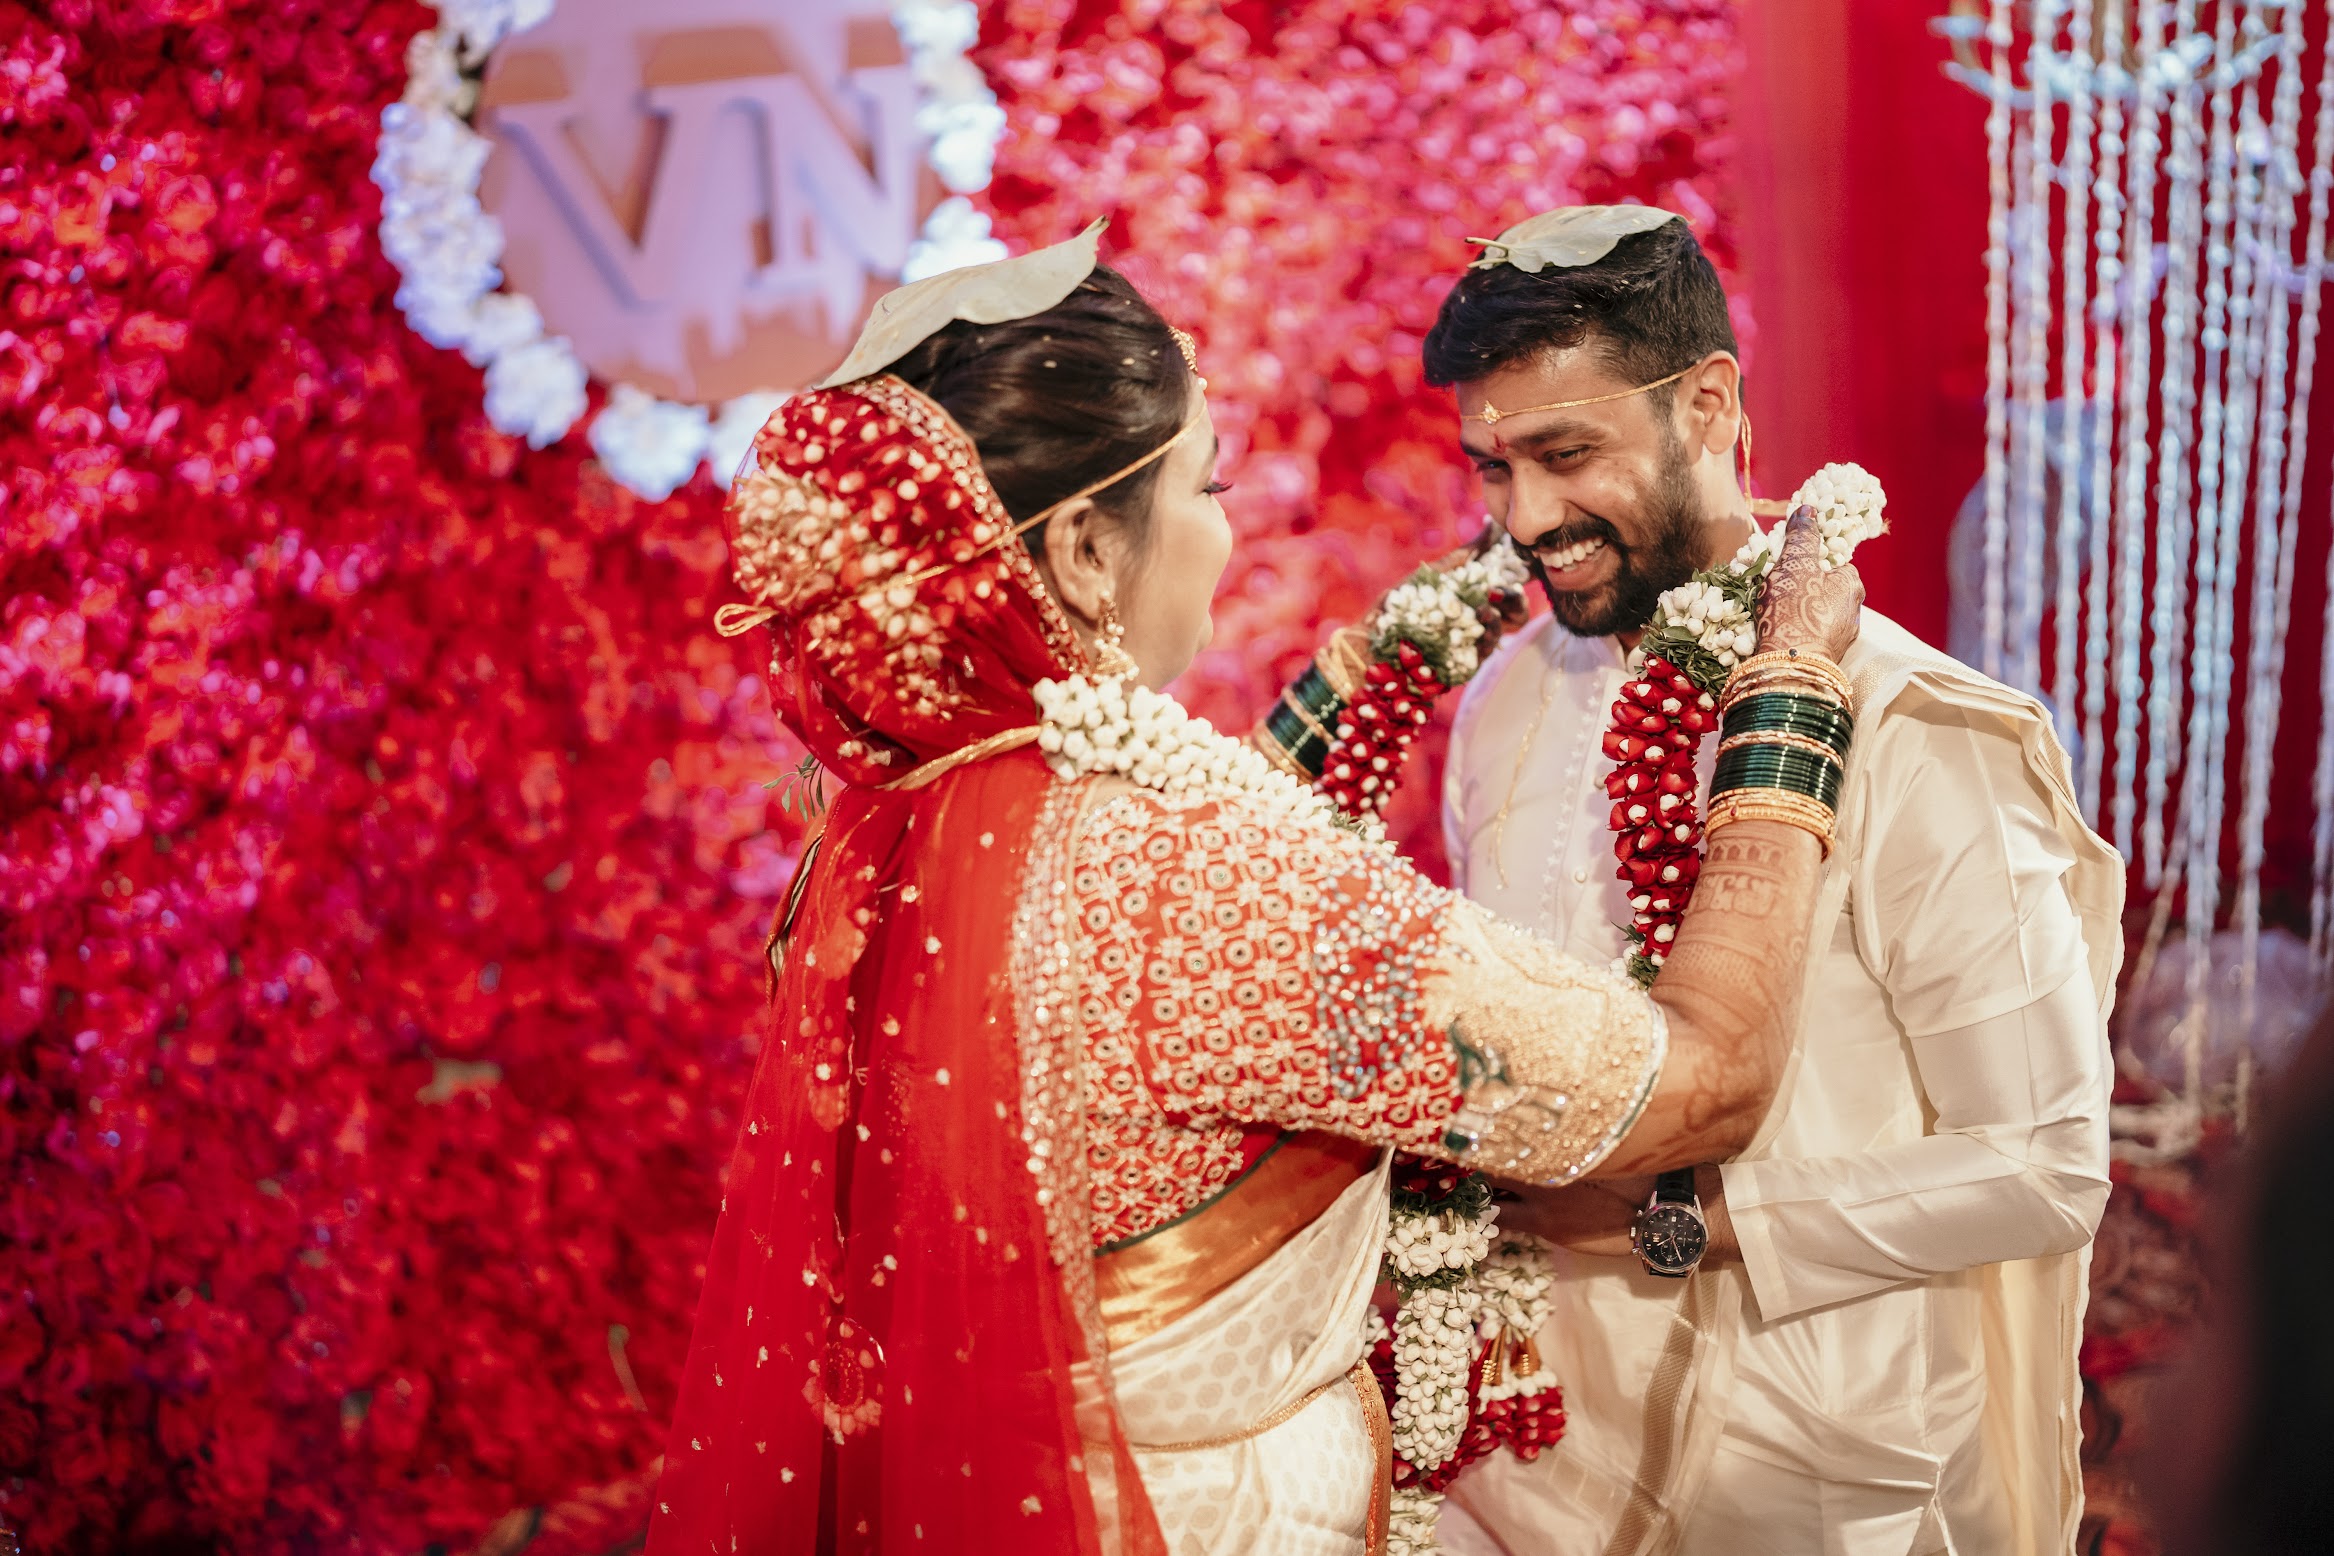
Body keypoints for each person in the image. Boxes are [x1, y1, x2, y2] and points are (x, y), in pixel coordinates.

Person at [642, 222, 1865, 1555]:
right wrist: (1789, 698)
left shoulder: (891, 837)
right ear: (1085, 553)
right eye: (1207, 485)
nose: (1225, 535)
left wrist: (1348, 686)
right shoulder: (1212, 883)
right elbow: (1704, 1078)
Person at [1427, 207, 2124, 1556]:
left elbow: (2044, 1167)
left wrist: (1679, 1222)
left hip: (1806, 1474)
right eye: (1492, 469)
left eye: (1564, 456)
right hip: (1528, 1469)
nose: (1524, 519)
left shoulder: (1911, 724)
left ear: (1706, 406)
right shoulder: (1504, 701)